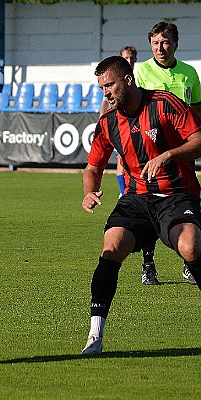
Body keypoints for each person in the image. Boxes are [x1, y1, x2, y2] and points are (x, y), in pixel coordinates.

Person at [81, 56, 201, 356]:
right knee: (111, 248)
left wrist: (170, 155)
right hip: (137, 199)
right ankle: (94, 336)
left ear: (128, 80)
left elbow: (198, 139)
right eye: (101, 88)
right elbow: (92, 167)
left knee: (190, 247)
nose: (105, 93)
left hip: (177, 194)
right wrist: (89, 192)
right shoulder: (108, 122)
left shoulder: (164, 104)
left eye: (109, 85)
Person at [135, 21, 201, 285]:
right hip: (151, 149)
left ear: (175, 44)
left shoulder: (189, 73)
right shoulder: (141, 72)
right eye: (155, 43)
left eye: (165, 42)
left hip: (182, 151)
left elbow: (197, 109)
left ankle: (189, 261)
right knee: (150, 203)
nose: (160, 48)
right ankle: (148, 263)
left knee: (188, 202)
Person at [100, 46, 160, 286]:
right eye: (126, 58)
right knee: (123, 162)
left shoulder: (140, 79)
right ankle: (125, 191)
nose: (130, 60)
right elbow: (106, 110)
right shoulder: (118, 83)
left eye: (132, 58)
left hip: (161, 144)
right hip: (127, 133)